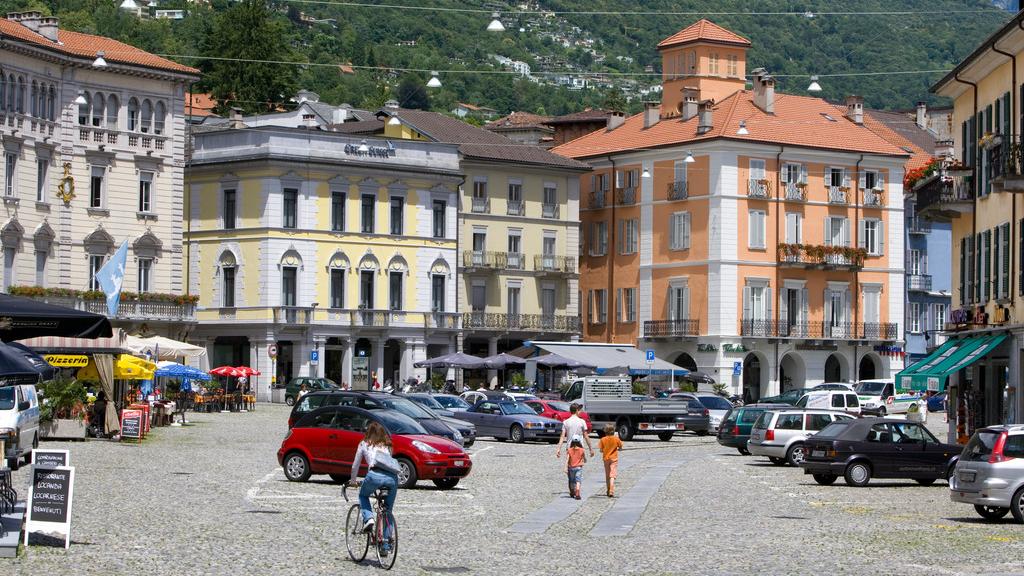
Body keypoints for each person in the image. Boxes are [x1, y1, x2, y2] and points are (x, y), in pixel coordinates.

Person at [349, 422, 399, 539]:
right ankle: (385, 545)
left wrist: (353, 480)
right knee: (388, 509)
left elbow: (355, 466)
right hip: (392, 478)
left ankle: (369, 519)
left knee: (363, 495)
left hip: (374, 475)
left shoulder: (364, 444)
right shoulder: (388, 445)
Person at [598, 423, 623, 497]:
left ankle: (608, 489)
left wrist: (603, 450)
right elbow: (620, 446)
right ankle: (612, 489)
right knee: (612, 475)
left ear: (605, 431)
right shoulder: (616, 438)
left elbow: (601, 450)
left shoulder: (602, 439)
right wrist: (620, 449)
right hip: (614, 458)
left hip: (606, 459)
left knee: (607, 475)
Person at [566, 435, 586, 500]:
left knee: (572, 480)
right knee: (578, 480)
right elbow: (584, 458)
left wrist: (565, 467)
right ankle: (577, 491)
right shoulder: (582, 450)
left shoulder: (569, 450)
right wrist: (584, 460)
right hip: (579, 467)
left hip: (571, 467)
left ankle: (572, 492)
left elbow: (567, 459)